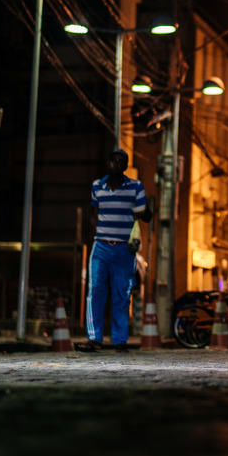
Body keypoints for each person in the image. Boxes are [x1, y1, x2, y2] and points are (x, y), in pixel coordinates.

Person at [78, 148, 149, 352]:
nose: (117, 165)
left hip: (124, 249)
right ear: (109, 164)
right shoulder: (97, 186)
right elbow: (94, 214)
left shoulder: (135, 187)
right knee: (95, 291)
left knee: (121, 294)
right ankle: (94, 338)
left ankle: (120, 340)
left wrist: (147, 215)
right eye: (114, 161)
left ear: (126, 166)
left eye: (121, 162)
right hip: (100, 246)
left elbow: (142, 214)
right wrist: (91, 240)